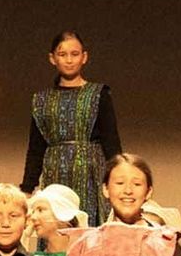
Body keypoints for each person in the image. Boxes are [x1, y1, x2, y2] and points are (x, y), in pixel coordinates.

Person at [22, 29, 122, 225]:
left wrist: (119, 178)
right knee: (55, 225)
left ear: (84, 57)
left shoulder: (98, 94)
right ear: (52, 58)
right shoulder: (41, 100)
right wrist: (27, 188)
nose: (69, 60)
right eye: (62, 54)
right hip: (55, 172)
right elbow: (36, 148)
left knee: (91, 226)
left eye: (74, 54)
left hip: (91, 172)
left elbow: (111, 142)